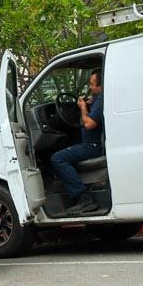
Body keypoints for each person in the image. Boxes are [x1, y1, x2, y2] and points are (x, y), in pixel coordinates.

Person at [50, 69, 105, 215]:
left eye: (93, 85)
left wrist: (82, 108)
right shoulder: (97, 100)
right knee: (67, 150)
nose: (90, 88)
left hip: (94, 146)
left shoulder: (101, 99)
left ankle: (84, 198)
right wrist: (88, 106)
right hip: (92, 143)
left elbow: (89, 124)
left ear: (101, 85)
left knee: (58, 158)